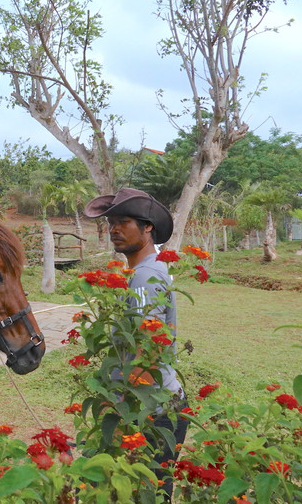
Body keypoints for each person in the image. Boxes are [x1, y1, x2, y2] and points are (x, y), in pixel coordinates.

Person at [84, 187, 187, 500]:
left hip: (150, 410)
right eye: (111, 223)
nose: (114, 229)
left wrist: (120, 412)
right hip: (155, 405)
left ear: (147, 228)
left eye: (124, 222)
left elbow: (147, 349)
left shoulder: (144, 276)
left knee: (145, 494)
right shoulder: (146, 271)